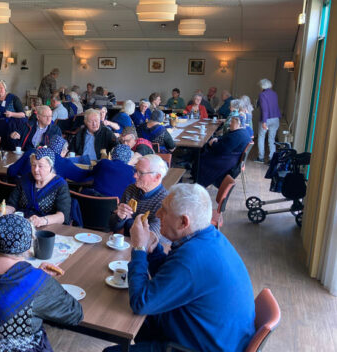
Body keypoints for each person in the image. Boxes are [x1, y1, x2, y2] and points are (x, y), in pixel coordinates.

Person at [103, 184, 255, 352]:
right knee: (130, 320)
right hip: (210, 332)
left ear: (184, 222)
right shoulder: (209, 237)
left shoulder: (192, 258)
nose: (158, 215)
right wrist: (153, 249)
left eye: (164, 210)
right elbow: (171, 276)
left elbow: (140, 302)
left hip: (198, 346)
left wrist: (139, 248)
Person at [0, 213, 83, 351]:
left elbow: (2, 287)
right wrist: (42, 279)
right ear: (29, 244)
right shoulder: (36, 282)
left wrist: (36, 275)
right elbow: (74, 314)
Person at [0, 147, 70, 227]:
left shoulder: (60, 184)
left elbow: (62, 216)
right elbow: (12, 205)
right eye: (33, 165)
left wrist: (42, 220)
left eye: (40, 166)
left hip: (47, 227)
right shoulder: (25, 179)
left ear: (50, 167)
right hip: (22, 225)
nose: (36, 169)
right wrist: (2, 209)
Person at [109, 154, 169, 243]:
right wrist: (119, 218)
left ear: (157, 177)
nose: (135, 176)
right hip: (126, 244)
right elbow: (112, 225)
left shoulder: (165, 201)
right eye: (135, 170)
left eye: (141, 173)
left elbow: (150, 236)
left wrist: (128, 221)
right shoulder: (131, 189)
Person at [194, 116, 251, 188]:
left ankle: (199, 184)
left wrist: (212, 144)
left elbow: (222, 149)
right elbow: (226, 139)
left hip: (226, 161)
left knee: (201, 159)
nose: (230, 123)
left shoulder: (237, 135)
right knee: (203, 154)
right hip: (231, 159)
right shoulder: (242, 132)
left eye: (232, 122)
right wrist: (217, 139)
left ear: (238, 124)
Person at [7, 135, 90, 183]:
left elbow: (11, 171)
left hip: (22, 195)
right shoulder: (64, 163)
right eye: (65, 151)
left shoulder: (31, 152)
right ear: (62, 151)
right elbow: (82, 177)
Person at [0, 80, 26, 151]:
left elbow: (23, 115)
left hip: (12, 129)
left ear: (5, 88)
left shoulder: (13, 98)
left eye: (1, 87)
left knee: (11, 151)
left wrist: (12, 114)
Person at [256, 78, 281, 163]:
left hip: (267, 119)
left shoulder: (262, 95)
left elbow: (264, 109)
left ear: (262, 86)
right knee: (271, 139)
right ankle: (271, 158)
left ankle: (261, 157)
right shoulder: (274, 94)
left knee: (261, 137)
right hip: (276, 118)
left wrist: (264, 121)